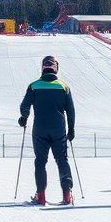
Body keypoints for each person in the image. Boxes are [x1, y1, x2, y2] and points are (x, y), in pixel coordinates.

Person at [19, 55, 76, 206]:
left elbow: (25, 105)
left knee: (40, 161)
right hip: (59, 130)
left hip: (40, 130)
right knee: (62, 160)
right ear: (56, 68)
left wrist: (23, 118)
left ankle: (41, 196)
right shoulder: (64, 87)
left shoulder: (34, 86)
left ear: (42, 68)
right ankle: (67, 194)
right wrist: (71, 130)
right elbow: (70, 111)